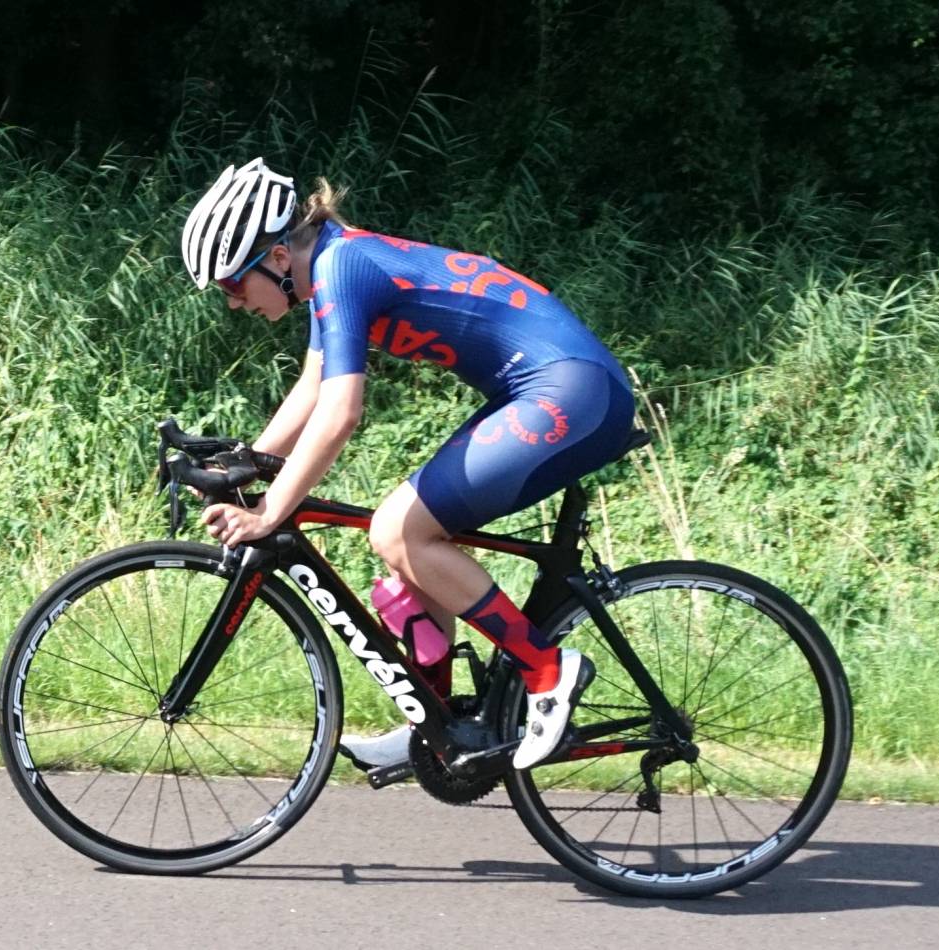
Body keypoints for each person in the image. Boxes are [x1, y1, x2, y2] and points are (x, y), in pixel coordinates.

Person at [181, 157, 635, 770]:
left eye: (234, 285)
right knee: (408, 556)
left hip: (570, 392)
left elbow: (340, 414)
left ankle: (548, 670)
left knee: (398, 528)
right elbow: (313, 385)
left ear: (278, 259)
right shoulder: (331, 268)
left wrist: (269, 513)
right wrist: (249, 463)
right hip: (540, 390)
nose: (234, 304)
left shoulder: (342, 268)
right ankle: (437, 722)